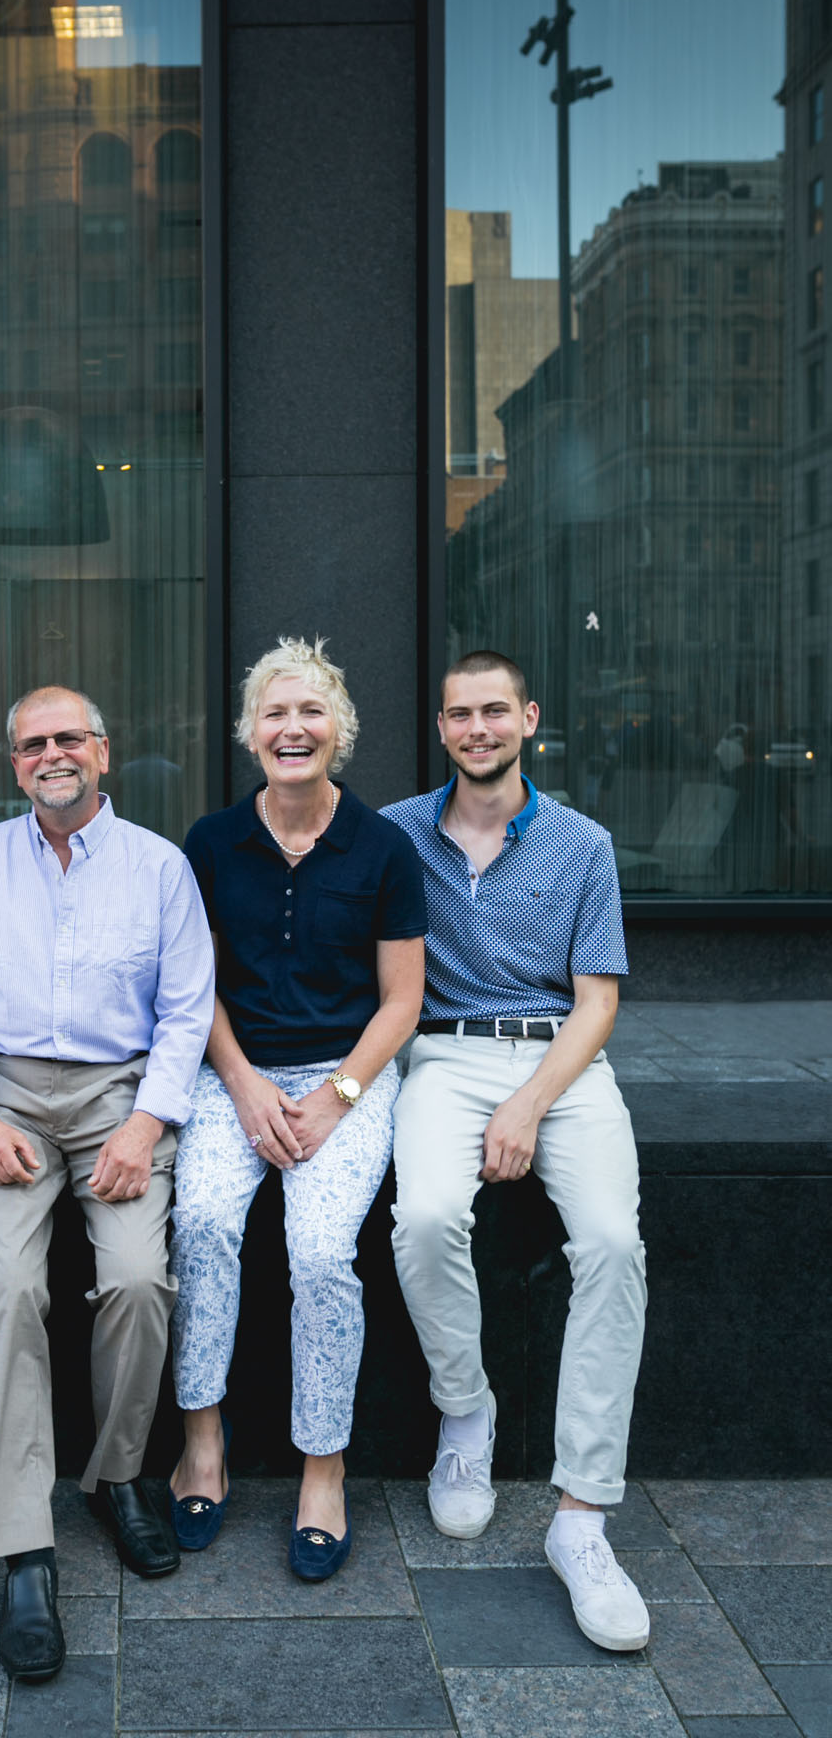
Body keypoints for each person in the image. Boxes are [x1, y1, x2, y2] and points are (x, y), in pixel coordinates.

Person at [0, 686, 214, 1682]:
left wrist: (145, 1120)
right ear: (15, 765)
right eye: (33, 742)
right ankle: (22, 1547)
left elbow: (185, 1011)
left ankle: (117, 1477)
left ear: (104, 749)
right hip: (2, 1093)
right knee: (4, 1289)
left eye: (69, 737)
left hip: (117, 1097)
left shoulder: (160, 867)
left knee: (136, 1277)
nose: (53, 753)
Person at [382, 650, 649, 1653]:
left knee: (614, 1245)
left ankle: (581, 1515)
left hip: (563, 1062)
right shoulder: (398, 834)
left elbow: (599, 1003)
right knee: (426, 1217)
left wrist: (532, 1103)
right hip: (443, 1055)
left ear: (528, 718)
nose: (478, 728)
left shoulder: (583, 844)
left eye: (496, 710)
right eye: (460, 714)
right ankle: (467, 1413)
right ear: (442, 727)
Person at [168, 637, 426, 1578]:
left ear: (339, 731)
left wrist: (335, 1097)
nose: (292, 728)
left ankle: (324, 1465)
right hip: (227, 1070)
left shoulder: (383, 847)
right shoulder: (209, 843)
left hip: (346, 1074)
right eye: (274, 713)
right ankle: (203, 1444)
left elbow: (401, 999)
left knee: (320, 1253)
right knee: (198, 1222)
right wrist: (240, 1085)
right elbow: (191, 990)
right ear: (249, 734)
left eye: (310, 711)